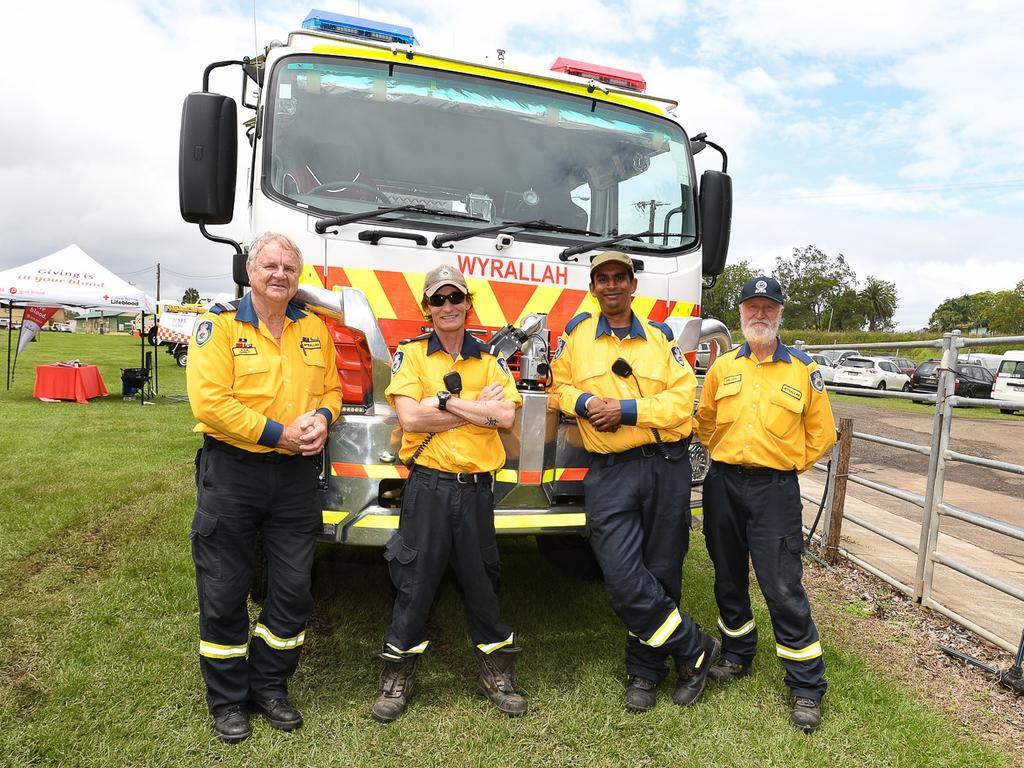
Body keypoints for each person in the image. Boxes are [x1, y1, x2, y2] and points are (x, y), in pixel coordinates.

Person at [186, 232, 342, 743]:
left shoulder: (315, 328)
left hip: (295, 479)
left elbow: (334, 391)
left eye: (289, 268)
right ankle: (228, 698)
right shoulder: (219, 324)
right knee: (225, 590)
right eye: (269, 265)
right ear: (249, 271)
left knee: (294, 591)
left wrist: (321, 417)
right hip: (234, 472)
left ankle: (270, 686)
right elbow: (211, 404)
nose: (279, 275)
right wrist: (281, 434)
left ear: (299, 277)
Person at [549, 250, 719, 712]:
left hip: (666, 466)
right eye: (602, 279)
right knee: (622, 576)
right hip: (610, 472)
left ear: (632, 285)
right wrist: (585, 403)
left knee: (663, 571)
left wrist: (624, 410)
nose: (611, 286)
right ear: (592, 287)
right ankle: (694, 646)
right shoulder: (577, 337)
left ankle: (645, 672)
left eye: (619, 278)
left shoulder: (661, 340)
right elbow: (558, 389)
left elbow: (682, 403)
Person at [372, 263, 527, 723]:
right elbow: (411, 420)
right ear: (427, 308)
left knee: (482, 581)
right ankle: (397, 674)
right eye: (437, 300)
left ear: (467, 303)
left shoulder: (491, 359)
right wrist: (479, 408)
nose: (447, 307)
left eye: (454, 298)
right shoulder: (412, 354)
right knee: (415, 582)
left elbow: (507, 420)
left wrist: (443, 401)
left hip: (477, 490)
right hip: (428, 487)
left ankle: (497, 672)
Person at [695, 275, 836, 734]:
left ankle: (806, 685)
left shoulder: (802, 369)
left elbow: (823, 433)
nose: (760, 314)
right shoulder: (723, 367)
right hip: (723, 485)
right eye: (752, 307)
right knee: (728, 575)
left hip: (774, 490)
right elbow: (705, 421)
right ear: (740, 313)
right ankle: (737, 653)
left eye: (768, 307)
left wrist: (787, 463)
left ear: (779, 313)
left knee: (781, 584)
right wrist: (726, 456)